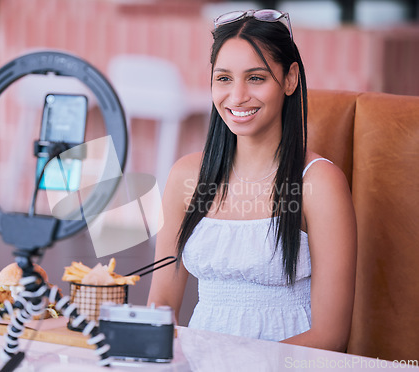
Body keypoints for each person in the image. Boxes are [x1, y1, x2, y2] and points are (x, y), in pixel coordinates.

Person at [147, 9, 357, 352]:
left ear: (290, 79)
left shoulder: (319, 183)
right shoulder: (187, 177)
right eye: (224, 78)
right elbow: (160, 310)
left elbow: (330, 336)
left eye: (256, 78)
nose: (237, 96)